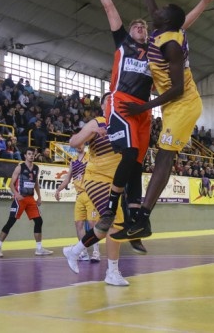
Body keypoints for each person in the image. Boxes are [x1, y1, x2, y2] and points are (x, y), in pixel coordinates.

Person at [111, 0, 214, 241]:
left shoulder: (171, 43)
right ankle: (140, 216)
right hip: (173, 105)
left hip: (183, 102)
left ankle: (143, 218)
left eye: (164, 9)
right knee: (160, 156)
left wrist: (143, 108)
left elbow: (175, 89)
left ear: (168, 19)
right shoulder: (162, 28)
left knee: (163, 157)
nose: (157, 9)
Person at [85, 0, 153, 254]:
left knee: (137, 166)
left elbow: (180, 28)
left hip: (144, 111)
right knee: (128, 153)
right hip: (121, 102)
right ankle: (111, 208)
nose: (139, 27)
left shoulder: (155, 54)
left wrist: (202, 4)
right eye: (136, 26)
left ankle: (135, 222)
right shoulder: (123, 42)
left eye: (143, 27)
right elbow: (108, 5)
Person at [62, 93, 130, 286]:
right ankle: (112, 272)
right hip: (96, 179)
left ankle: (74, 252)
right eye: (108, 100)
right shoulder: (97, 122)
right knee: (114, 223)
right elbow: (74, 142)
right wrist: (90, 134)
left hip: (114, 182)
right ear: (102, 105)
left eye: (114, 100)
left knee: (112, 223)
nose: (112, 102)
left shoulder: (123, 125)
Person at [0, 147, 53, 257]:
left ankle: (39, 249)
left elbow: (35, 183)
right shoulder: (19, 167)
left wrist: (39, 197)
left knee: (39, 221)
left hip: (30, 199)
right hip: (20, 198)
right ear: (25, 155)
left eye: (33, 154)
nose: (31, 156)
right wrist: (16, 194)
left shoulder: (36, 168)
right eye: (29, 154)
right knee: (10, 222)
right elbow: (11, 184)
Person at [54, 144, 100, 262]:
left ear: (84, 144)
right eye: (77, 144)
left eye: (81, 143)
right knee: (78, 224)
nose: (79, 146)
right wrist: (58, 189)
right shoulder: (73, 161)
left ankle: (96, 252)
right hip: (79, 196)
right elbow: (67, 179)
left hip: (91, 194)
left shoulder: (90, 157)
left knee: (92, 223)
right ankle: (83, 252)